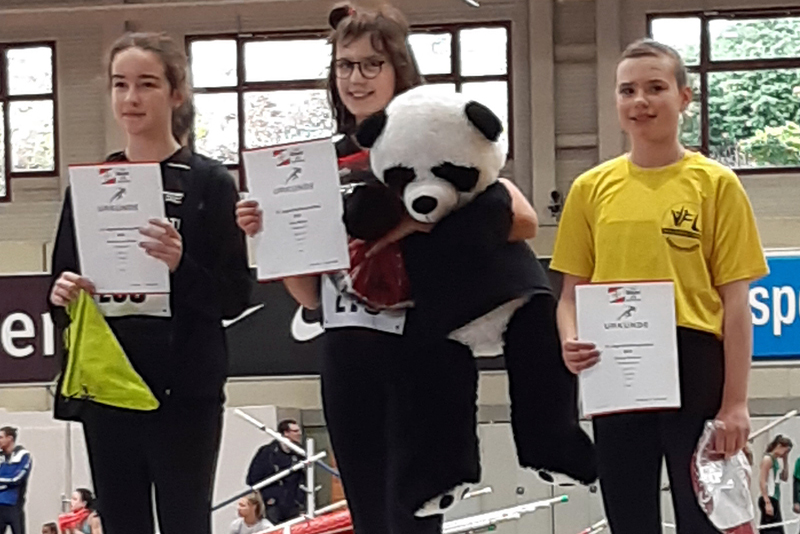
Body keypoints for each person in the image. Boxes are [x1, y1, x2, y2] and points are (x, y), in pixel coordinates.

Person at [236, 4, 538, 533]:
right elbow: (310, 297)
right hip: (349, 353)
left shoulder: (436, 142)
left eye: (372, 64)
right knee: (371, 518)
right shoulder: (316, 162)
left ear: (400, 67)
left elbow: (522, 218)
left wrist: (406, 228)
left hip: (423, 352)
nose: (356, 77)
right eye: (345, 65)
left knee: (417, 517)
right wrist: (273, 234)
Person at [550, 38, 769, 534]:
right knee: (629, 516)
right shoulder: (590, 189)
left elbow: (736, 304)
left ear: (684, 97)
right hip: (616, 370)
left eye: (655, 88)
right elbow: (570, 295)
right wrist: (569, 340)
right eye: (627, 90)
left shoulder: (715, 184)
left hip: (694, 364)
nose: (640, 101)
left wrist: (735, 403)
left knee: (706, 517)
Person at [48, 32, 252, 534]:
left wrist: (181, 265)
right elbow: (60, 289)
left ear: (175, 93)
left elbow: (233, 297)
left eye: (146, 84)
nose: (131, 98)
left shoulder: (210, 183)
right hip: (112, 387)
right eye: (120, 85)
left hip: (185, 390)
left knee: (186, 523)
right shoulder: (93, 184)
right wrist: (62, 295)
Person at [246, 420, 305, 524]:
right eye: (295, 431)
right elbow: (253, 478)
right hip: (273, 504)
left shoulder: (300, 452)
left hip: (294, 504)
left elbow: (302, 477)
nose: (299, 434)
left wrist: (301, 500)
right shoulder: (267, 452)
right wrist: (269, 497)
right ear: (286, 433)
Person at [0, 427, 31, 534]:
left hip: (14, 505)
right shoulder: (1, 456)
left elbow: (16, 479)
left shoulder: (23, 456)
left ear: (10, 438)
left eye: (1, 437)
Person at [759, 436, 792, 533]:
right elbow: (762, 480)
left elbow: (785, 477)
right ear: (780, 446)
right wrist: (767, 502)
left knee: (778, 529)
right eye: (785, 451)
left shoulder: (776, 461)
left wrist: (785, 461)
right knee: (772, 530)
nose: (785, 454)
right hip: (769, 497)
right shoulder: (768, 459)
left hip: (775, 498)